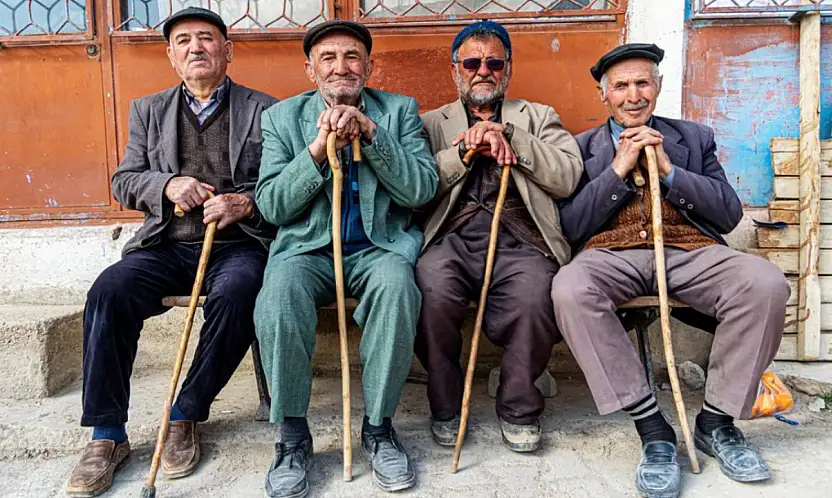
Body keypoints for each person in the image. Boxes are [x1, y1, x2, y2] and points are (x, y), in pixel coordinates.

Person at [551, 43, 789, 498]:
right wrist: (617, 171)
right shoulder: (578, 149)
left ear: (658, 87)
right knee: (569, 288)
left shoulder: (693, 138)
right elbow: (570, 226)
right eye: (620, 86)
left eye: (642, 83)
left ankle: (716, 422)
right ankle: (654, 430)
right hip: (610, 254)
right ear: (604, 95)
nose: (633, 95)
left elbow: (727, 214)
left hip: (688, 251)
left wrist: (669, 171)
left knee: (765, 283)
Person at [66, 7, 277, 497]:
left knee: (242, 291)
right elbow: (124, 180)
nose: (196, 48)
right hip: (167, 244)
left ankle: (185, 413)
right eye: (183, 42)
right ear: (171, 56)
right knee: (109, 292)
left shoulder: (266, 109)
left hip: (237, 245)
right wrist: (167, 184)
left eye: (207, 39)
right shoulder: (148, 109)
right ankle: (106, 434)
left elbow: (282, 184)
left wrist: (244, 202)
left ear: (228, 50)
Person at [253, 20, 438, 497]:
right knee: (276, 296)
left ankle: (378, 429)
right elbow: (273, 205)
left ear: (369, 66)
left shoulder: (399, 111)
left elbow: (421, 188)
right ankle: (292, 436)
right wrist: (317, 150)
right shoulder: (281, 118)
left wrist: (373, 136)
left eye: (352, 57)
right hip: (308, 249)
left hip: (379, 248)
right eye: (328, 58)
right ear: (310, 69)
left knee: (398, 289)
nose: (341, 67)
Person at [415, 21, 583, 453]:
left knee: (534, 296)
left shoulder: (538, 116)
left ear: (507, 69)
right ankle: (447, 406)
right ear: (456, 70)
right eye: (472, 62)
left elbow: (567, 177)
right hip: (450, 239)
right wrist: (461, 152)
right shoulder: (430, 122)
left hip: (521, 239)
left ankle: (519, 408)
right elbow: (412, 188)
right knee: (430, 290)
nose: (482, 71)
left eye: (494, 62)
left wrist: (510, 136)